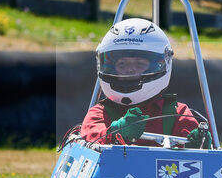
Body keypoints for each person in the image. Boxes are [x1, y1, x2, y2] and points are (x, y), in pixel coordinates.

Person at [81, 18, 210, 148]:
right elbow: (89, 140)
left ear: (158, 64)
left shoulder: (176, 112)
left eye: (139, 64)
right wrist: (116, 132)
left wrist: (200, 145)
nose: (130, 69)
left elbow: (196, 158)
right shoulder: (99, 113)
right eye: (122, 64)